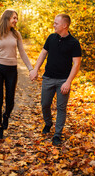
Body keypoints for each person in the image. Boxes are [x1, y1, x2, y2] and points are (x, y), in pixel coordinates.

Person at [30, 14, 81, 146]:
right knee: (45, 104)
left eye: (56, 23)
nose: (54, 25)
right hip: (48, 78)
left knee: (61, 108)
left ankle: (57, 135)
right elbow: (43, 54)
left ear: (65, 25)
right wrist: (35, 69)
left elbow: (76, 64)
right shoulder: (51, 38)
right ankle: (48, 123)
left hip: (63, 81)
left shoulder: (74, 43)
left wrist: (68, 82)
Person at [0, 9, 33, 139]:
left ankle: (6, 115)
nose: (16, 20)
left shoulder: (16, 34)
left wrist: (30, 68)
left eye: (16, 18)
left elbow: (22, 52)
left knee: (10, 100)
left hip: (12, 69)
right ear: (6, 18)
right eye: (14, 18)